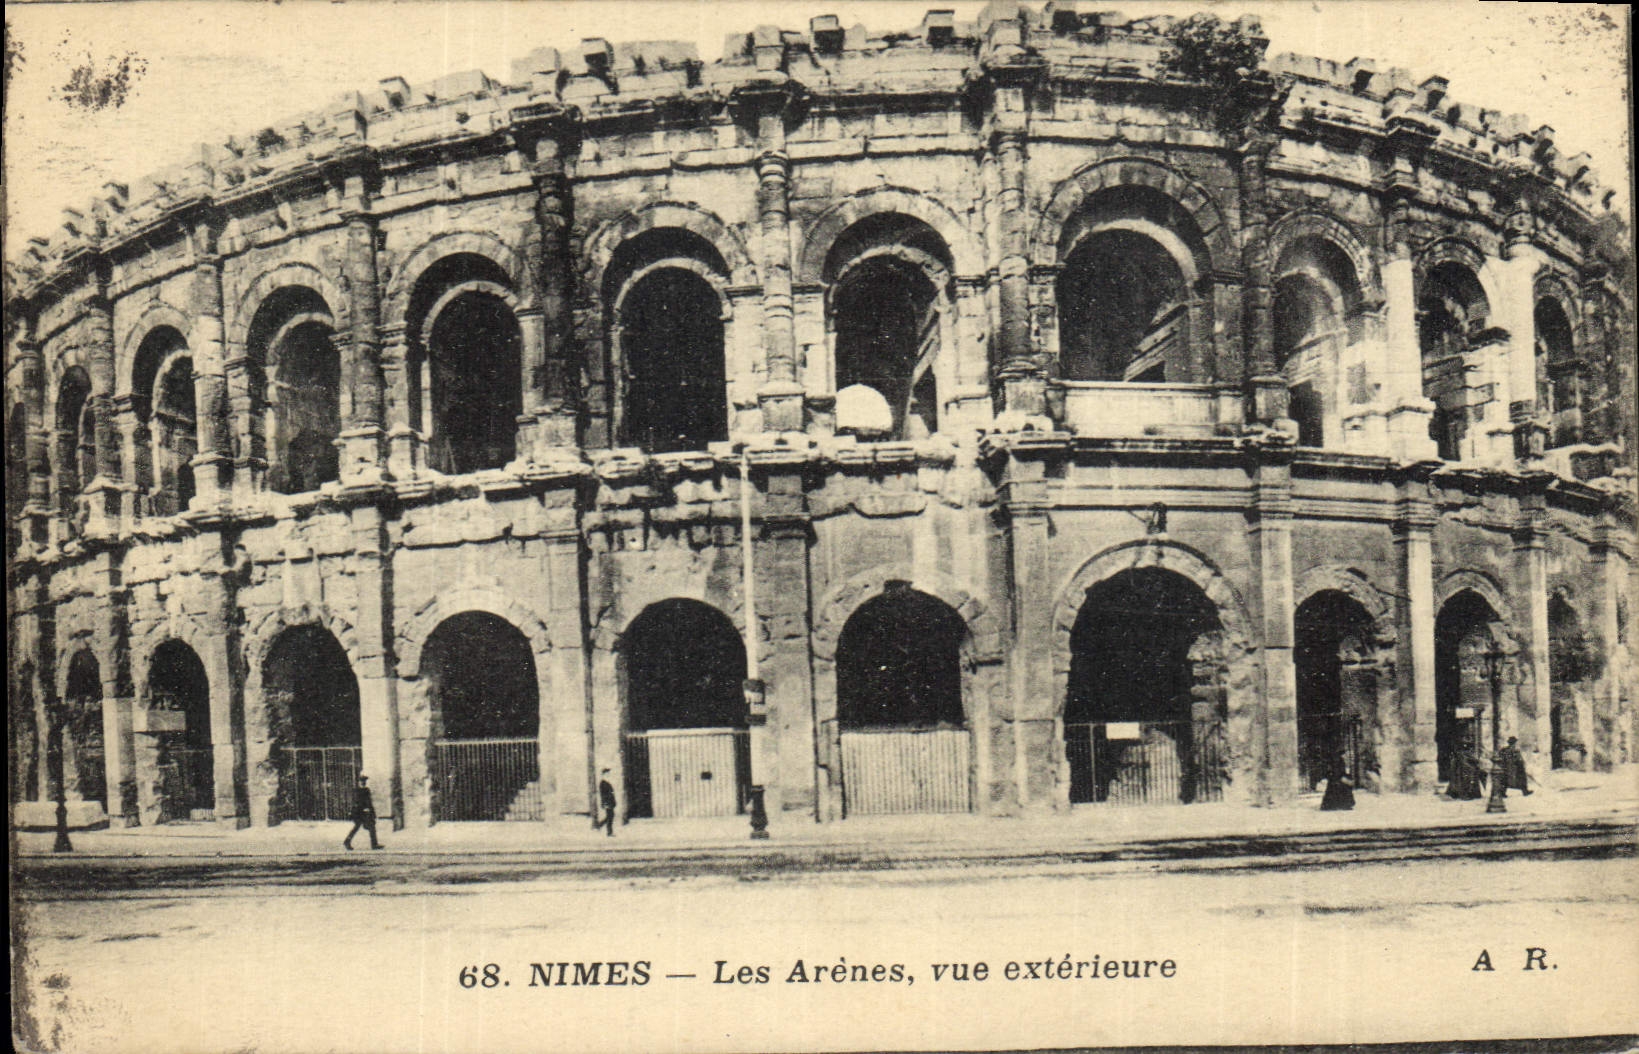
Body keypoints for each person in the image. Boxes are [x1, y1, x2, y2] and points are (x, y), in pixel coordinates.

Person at [344, 775, 381, 850]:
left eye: (364, 781)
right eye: (361, 781)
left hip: (366, 812)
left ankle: (374, 844)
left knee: (370, 827)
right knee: (360, 827)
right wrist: (363, 808)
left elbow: (369, 802)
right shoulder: (356, 791)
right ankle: (374, 844)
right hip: (358, 813)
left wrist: (372, 812)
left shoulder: (367, 790)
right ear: (358, 782)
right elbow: (356, 802)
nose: (363, 783)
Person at [595, 768, 617, 837]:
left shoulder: (607, 782)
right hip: (607, 802)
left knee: (610, 816)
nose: (608, 774)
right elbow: (603, 795)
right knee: (610, 816)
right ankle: (608, 832)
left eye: (608, 773)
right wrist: (605, 803)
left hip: (610, 802)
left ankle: (599, 825)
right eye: (607, 773)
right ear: (603, 774)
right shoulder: (603, 783)